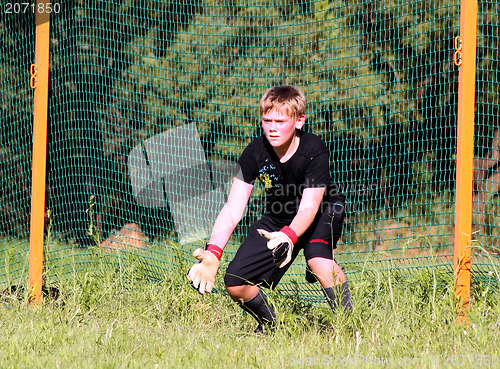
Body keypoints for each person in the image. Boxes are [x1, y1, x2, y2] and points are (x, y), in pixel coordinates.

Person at [187, 85, 353, 333]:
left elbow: (309, 206)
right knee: (235, 282)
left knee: (318, 259)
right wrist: (214, 252)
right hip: (279, 215)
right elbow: (233, 208)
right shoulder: (254, 153)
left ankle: (350, 328)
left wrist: (289, 236)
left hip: (323, 211)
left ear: (299, 121)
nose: (272, 127)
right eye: (267, 120)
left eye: (280, 120)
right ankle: (271, 327)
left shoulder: (313, 149)